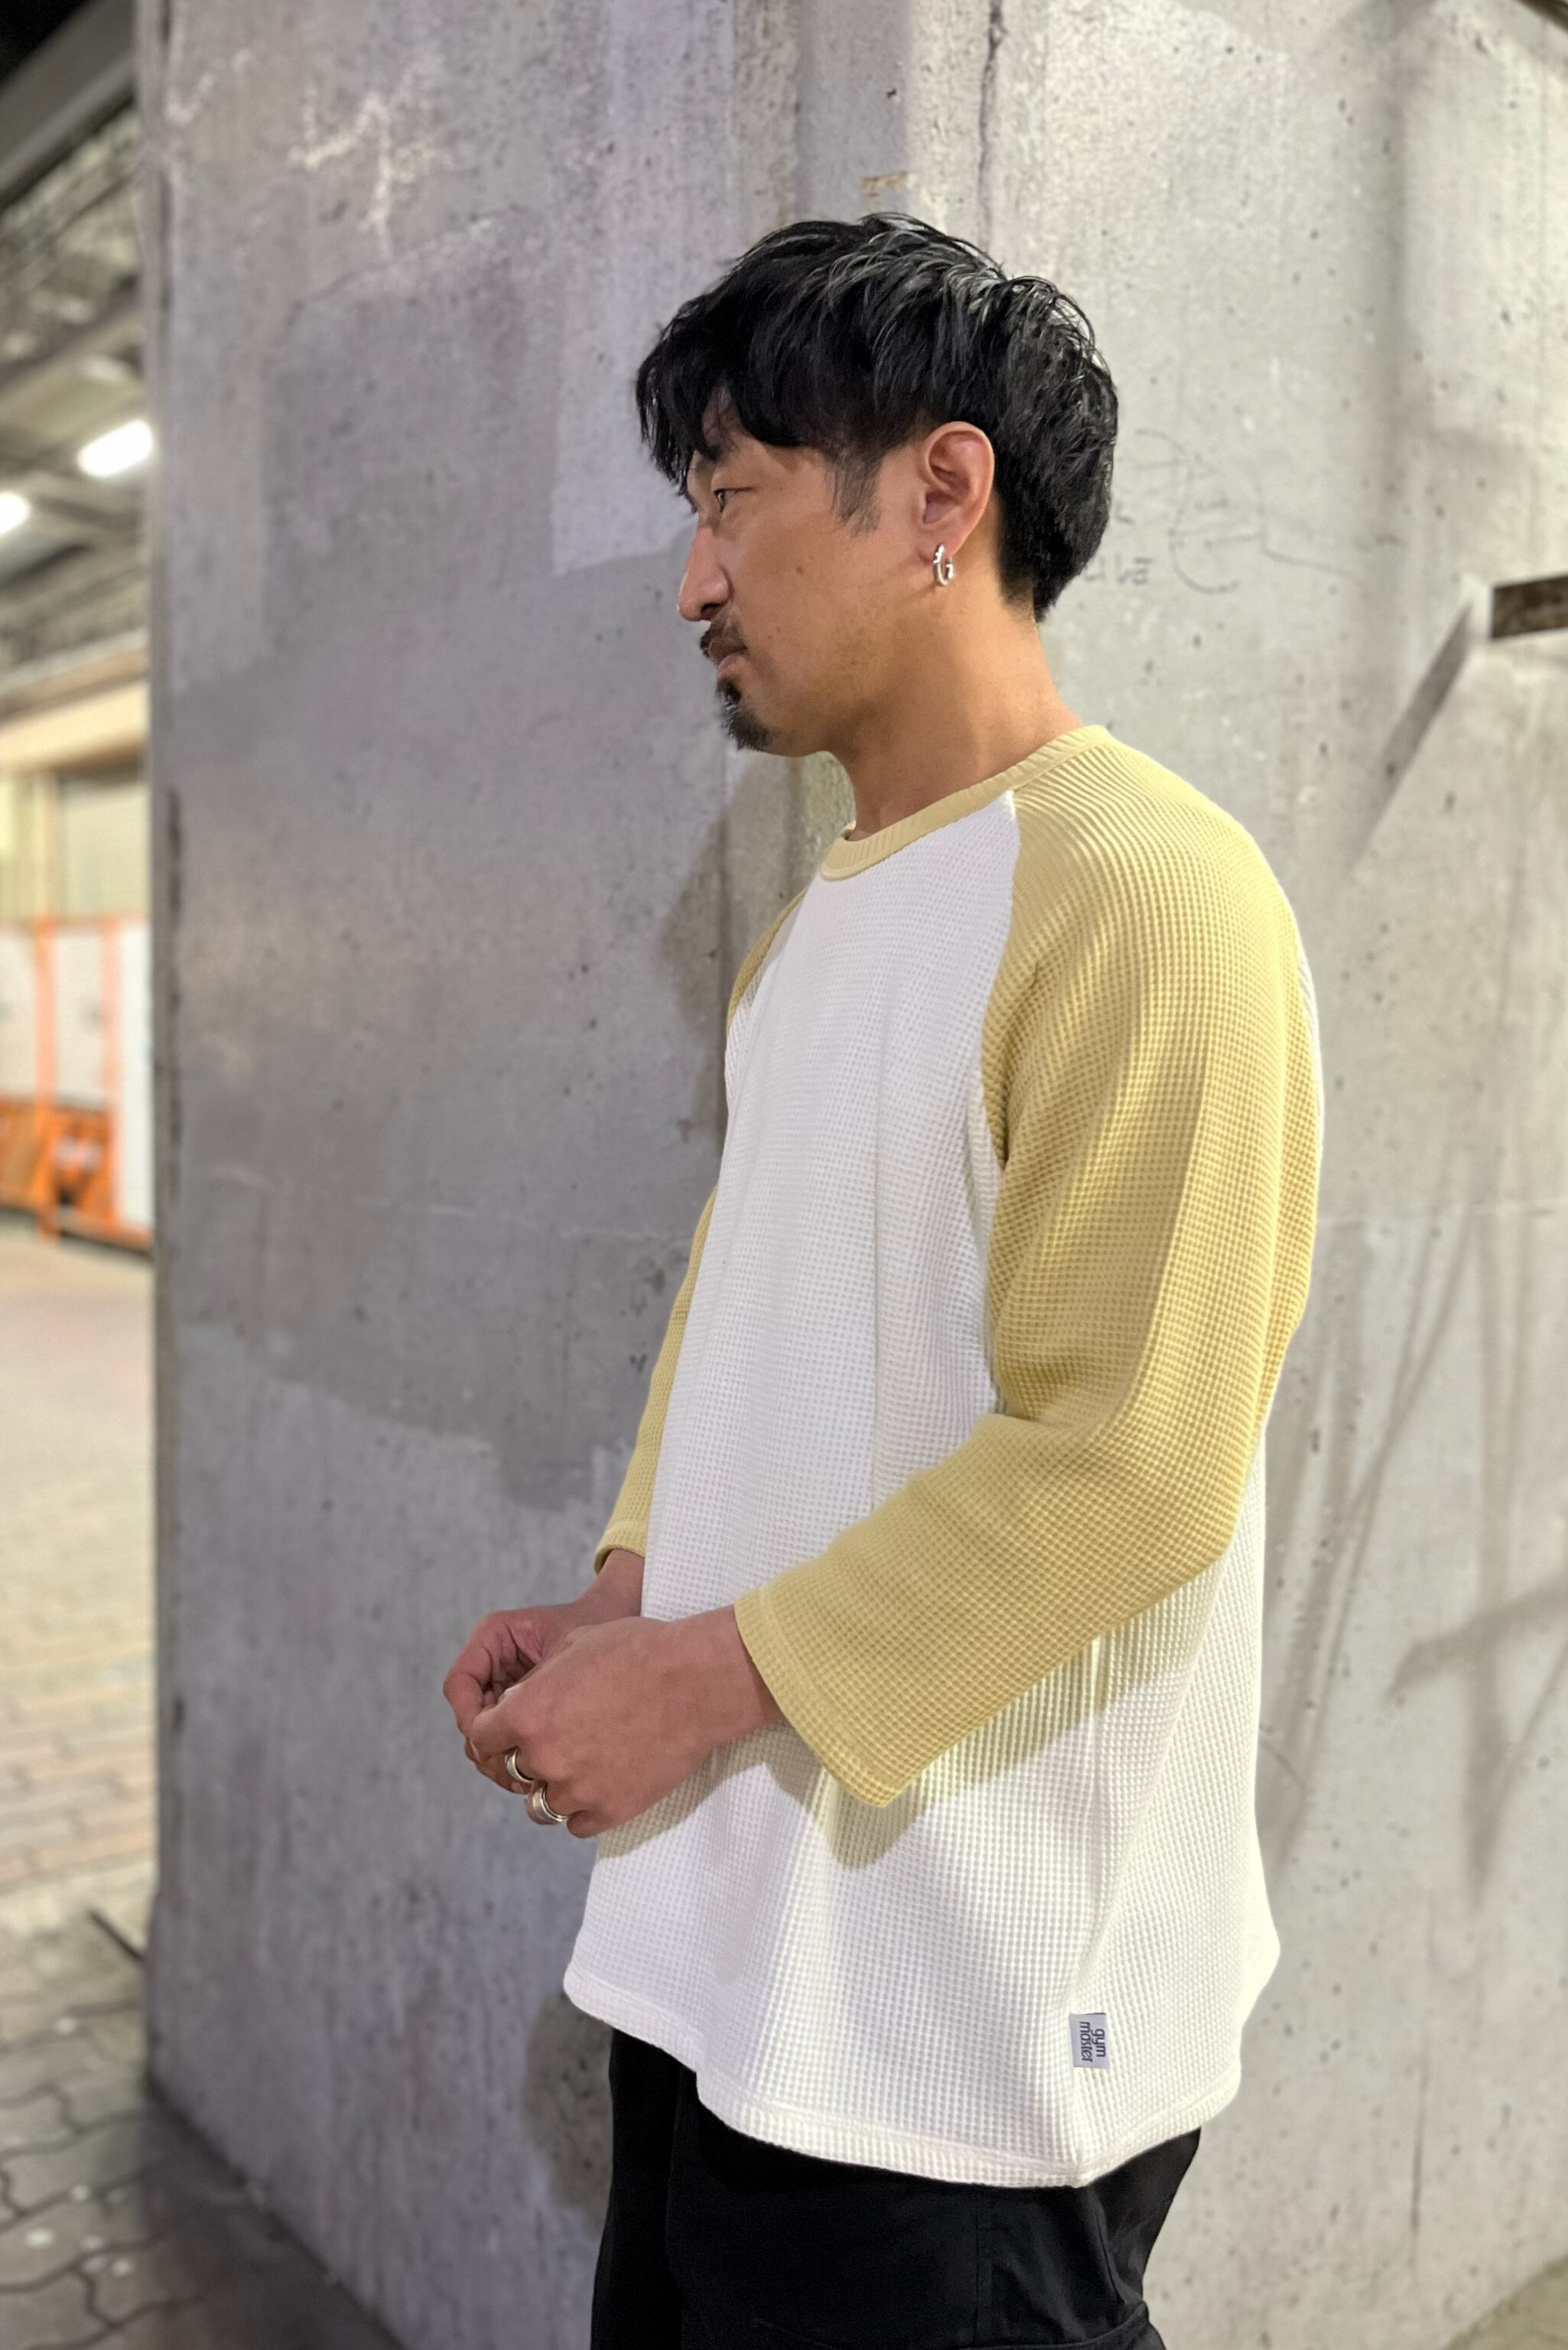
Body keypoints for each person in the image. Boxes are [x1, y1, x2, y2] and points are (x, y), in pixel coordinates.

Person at [443, 216, 1321, 2349]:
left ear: (941, 492)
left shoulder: (1143, 890)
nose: (692, 582)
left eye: (731, 500)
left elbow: (1127, 1457)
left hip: (970, 2012)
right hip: (738, 1943)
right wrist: (634, 1592)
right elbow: (757, 1315)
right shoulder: (822, 919)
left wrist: (701, 1677)